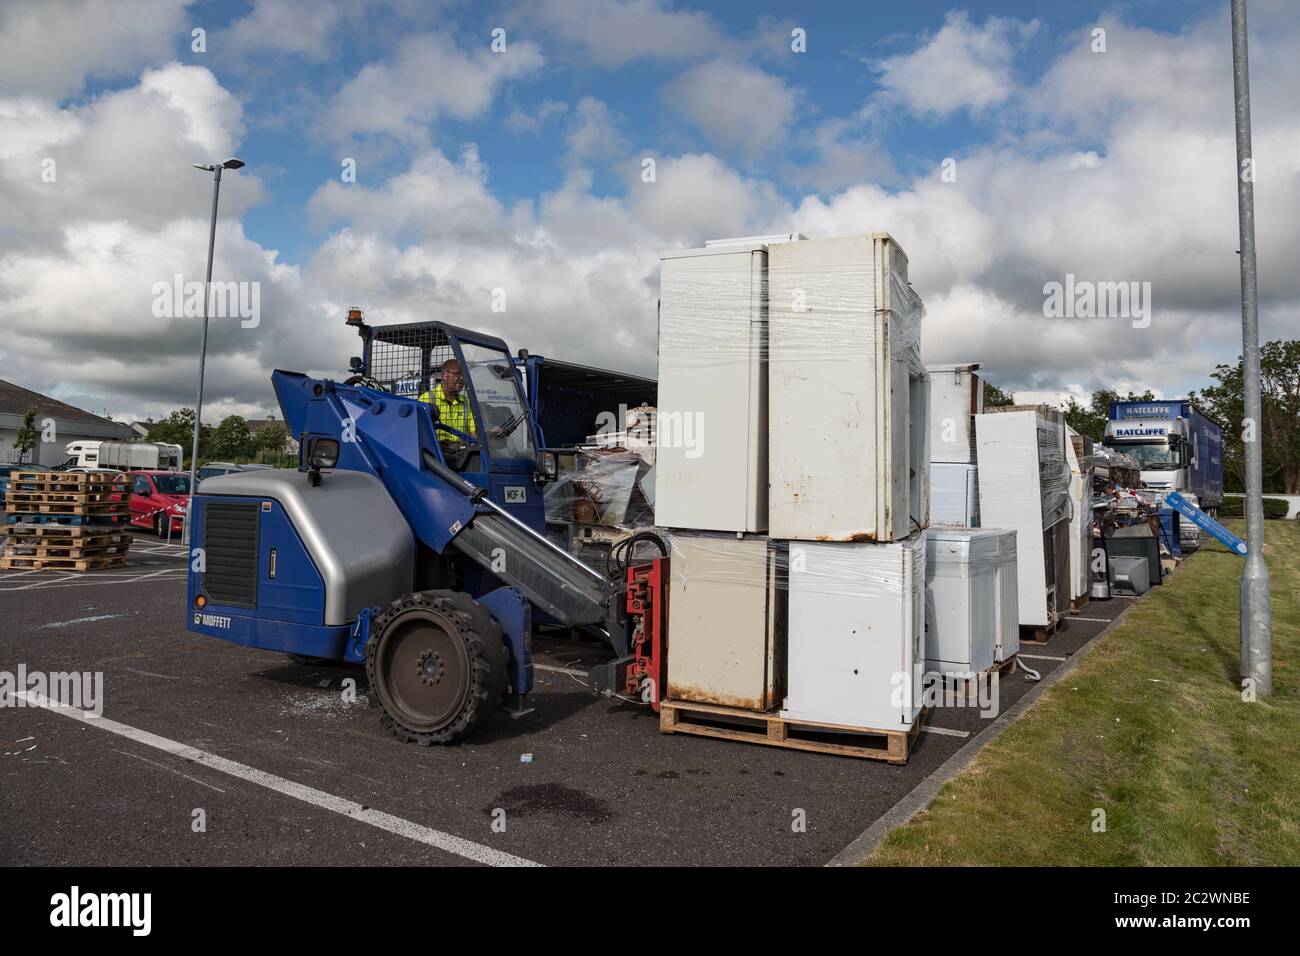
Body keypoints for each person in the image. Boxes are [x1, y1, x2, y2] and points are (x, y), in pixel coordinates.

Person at [419, 359, 476, 439]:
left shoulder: (466, 402)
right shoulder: (427, 399)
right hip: (437, 450)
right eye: (458, 374)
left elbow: (474, 432)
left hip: (462, 449)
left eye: (464, 374)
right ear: (444, 376)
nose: (462, 378)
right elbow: (421, 433)